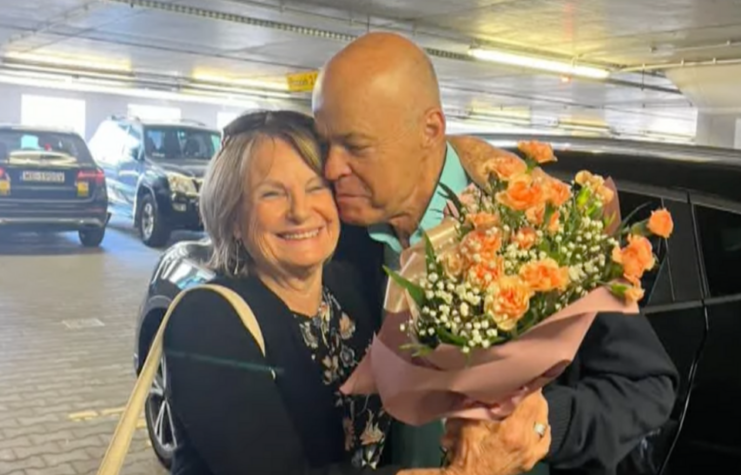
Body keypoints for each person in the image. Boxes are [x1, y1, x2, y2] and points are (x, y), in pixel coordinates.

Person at [312, 32, 680, 475]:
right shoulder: (328, 239)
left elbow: (649, 386)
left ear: (430, 130)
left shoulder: (541, 222)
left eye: (355, 146)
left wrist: (547, 424)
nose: (332, 168)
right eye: (325, 143)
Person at [162, 110, 548, 475]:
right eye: (272, 194)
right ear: (232, 219)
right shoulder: (206, 322)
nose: (301, 211)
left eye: (316, 187)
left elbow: (409, 166)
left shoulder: (351, 285)